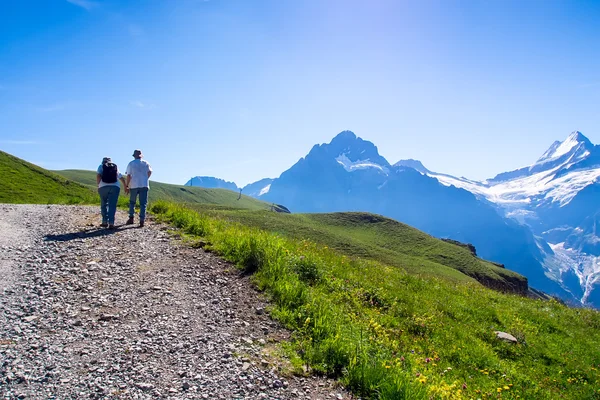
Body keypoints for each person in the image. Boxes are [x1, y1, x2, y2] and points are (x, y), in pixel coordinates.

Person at [96, 157, 127, 229]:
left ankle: (104, 222)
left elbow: (98, 176)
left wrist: (98, 185)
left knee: (104, 203)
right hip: (115, 187)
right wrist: (125, 186)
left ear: (103, 161)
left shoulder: (101, 166)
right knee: (112, 205)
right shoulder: (114, 166)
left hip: (103, 187)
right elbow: (121, 177)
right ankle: (111, 223)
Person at [125, 149, 152, 227]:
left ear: (134, 156)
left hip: (134, 185)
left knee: (132, 202)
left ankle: (131, 218)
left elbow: (129, 175)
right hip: (144, 184)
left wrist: (127, 185)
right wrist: (146, 178)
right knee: (143, 203)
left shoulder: (131, 164)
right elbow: (149, 172)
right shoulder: (146, 163)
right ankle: (142, 220)